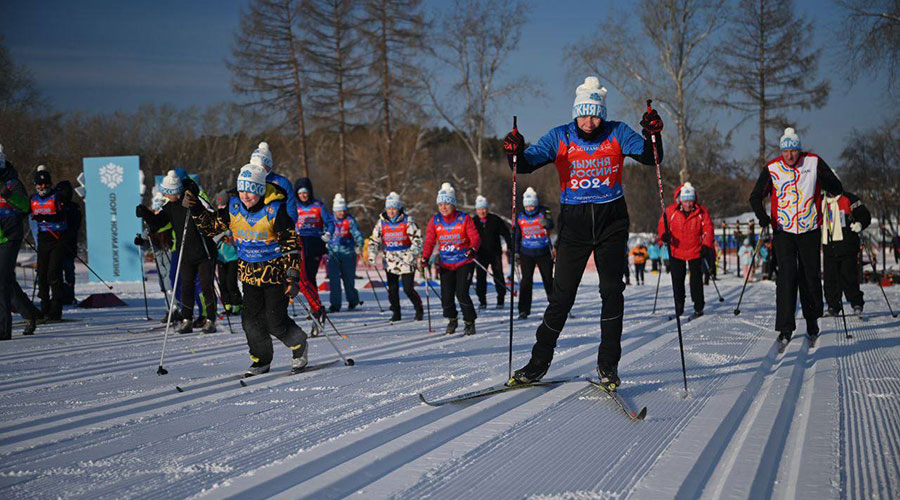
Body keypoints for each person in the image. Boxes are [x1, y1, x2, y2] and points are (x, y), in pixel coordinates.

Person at [502, 76, 664, 389]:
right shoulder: (559, 136)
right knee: (561, 298)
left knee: (611, 293)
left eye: (595, 114)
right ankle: (537, 364)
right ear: (576, 112)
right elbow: (523, 165)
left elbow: (651, 157)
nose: (589, 121)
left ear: (602, 114)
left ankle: (608, 365)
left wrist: (653, 133)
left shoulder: (616, 132)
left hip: (611, 222)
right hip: (573, 224)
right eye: (584, 114)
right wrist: (513, 151)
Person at [188, 164, 321, 376]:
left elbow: (291, 245)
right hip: (249, 274)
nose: (245, 195)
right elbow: (210, 228)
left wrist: (293, 276)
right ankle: (261, 359)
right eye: (242, 190)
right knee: (250, 321)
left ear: (260, 189)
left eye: (250, 190)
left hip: (275, 273)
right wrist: (195, 208)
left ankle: (298, 343)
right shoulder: (232, 208)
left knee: (274, 321)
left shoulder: (276, 210)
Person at [749, 127, 843, 346]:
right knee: (787, 278)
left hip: (809, 229)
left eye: (793, 151)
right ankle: (785, 326)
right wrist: (763, 217)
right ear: (781, 151)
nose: (790, 155)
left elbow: (836, 188)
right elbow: (755, 197)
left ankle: (812, 320)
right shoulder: (772, 169)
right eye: (785, 151)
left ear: (799, 150)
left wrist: (830, 185)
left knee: (809, 276)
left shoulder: (813, 162)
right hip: (784, 231)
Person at [137, 170, 218, 334]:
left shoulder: (191, 199)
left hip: (204, 251)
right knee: (186, 286)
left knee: (205, 286)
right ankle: (186, 319)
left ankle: (210, 319)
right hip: (185, 253)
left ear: (175, 191)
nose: (166, 195)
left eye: (168, 192)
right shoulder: (169, 207)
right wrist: (145, 214)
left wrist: (195, 205)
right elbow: (158, 223)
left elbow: (210, 215)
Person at [422, 183, 481, 335]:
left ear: (453, 204)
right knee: (446, 296)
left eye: (447, 203)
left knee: (461, 293)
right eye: (440, 204)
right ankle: (452, 319)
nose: (443, 207)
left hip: (464, 262)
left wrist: (472, 248)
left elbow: (475, 237)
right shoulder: (435, 221)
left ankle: (469, 321)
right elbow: (429, 241)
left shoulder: (464, 218)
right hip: (446, 264)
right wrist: (425, 257)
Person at [0, 146, 40, 338]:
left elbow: (26, 206)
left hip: (9, 236)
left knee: (1, 280)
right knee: (6, 280)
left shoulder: (12, 183)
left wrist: (7, 194)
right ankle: (29, 313)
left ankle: (3, 329)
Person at [658, 182, 714, 317]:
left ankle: (698, 305)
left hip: (695, 250)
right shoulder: (671, 211)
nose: (688, 204)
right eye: (685, 201)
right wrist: (664, 235)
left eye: (690, 201)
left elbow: (708, 228)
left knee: (696, 280)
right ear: (680, 200)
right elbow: (662, 224)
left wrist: (706, 245)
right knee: (677, 279)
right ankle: (679, 304)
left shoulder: (701, 212)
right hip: (676, 250)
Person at [367, 192, 424, 322]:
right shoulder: (381, 223)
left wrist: (413, 253)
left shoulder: (407, 221)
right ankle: (396, 312)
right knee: (392, 289)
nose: (391, 211)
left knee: (408, 288)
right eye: (389, 208)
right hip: (390, 260)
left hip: (406, 259)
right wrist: (372, 254)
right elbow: (374, 240)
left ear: (399, 209)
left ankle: (418, 307)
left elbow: (418, 240)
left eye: (394, 208)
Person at [30, 166, 72, 321]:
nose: (42, 187)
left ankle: (56, 309)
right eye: (39, 185)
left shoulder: (57, 197)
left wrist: (45, 218)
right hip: (43, 239)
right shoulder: (33, 199)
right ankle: (44, 307)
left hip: (57, 238)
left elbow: (61, 216)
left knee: (53, 274)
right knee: (42, 274)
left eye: (45, 184)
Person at [821, 190, 871, 317]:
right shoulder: (820, 200)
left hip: (848, 244)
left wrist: (860, 223)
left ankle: (856, 303)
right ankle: (833, 305)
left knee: (849, 275)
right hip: (829, 245)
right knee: (830, 278)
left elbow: (865, 215)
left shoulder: (849, 198)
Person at [513, 187, 554, 319]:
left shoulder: (544, 210)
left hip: (543, 251)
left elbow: (551, 224)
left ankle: (556, 306)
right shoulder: (520, 216)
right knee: (526, 282)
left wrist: (546, 223)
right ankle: (523, 310)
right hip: (526, 253)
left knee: (548, 280)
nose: (530, 208)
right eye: (527, 206)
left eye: (532, 206)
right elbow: (517, 236)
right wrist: (516, 252)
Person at [294, 177, 333, 295]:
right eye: (300, 193)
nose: (303, 195)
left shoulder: (318, 206)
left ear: (310, 192)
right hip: (300, 243)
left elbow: (330, 222)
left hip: (315, 243)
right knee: (301, 276)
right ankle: (313, 305)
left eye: (305, 192)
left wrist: (328, 234)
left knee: (311, 275)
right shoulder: (294, 207)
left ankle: (315, 307)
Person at [472, 195, 512, 310]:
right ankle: (482, 301)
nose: (482, 211)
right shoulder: (473, 221)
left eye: (484, 208)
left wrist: (510, 245)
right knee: (481, 278)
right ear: (476, 210)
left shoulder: (495, 219)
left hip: (495, 253)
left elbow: (505, 233)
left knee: (498, 276)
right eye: (479, 209)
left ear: (487, 208)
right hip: (480, 254)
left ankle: (501, 299)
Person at [326, 194, 364, 312]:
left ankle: (353, 301)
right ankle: (335, 304)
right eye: (339, 211)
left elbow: (356, 233)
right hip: (333, 254)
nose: (341, 213)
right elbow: (324, 232)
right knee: (334, 280)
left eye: (343, 210)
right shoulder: (329, 220)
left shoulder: (350, 220)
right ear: (334, 211)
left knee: (348, 279)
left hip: (348, 253)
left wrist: (359, 244)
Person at [249, 142, 298, 224]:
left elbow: (291, 209)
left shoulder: (282, 182)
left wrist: (288, 227)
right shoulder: (247, 181)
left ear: (268, 164)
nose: (257, 169)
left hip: (276, 226)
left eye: (260, 165)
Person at [214, 191, 243, 315]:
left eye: (224, 206)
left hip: (232, 256)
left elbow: (237, 234)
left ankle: (237, 303)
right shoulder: (216, 218)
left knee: (231, 282)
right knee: (223, 282)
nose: (222, 209)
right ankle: (227, 304)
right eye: (219, 206)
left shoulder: (233, 216)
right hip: (221, 257)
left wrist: (231, 239)